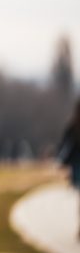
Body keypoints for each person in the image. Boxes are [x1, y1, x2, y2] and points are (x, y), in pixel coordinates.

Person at [56, 97, 80, 239]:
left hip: (77, 166)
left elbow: (65, 146)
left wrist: (63, 163)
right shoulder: (72, 127)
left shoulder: (73, 126)